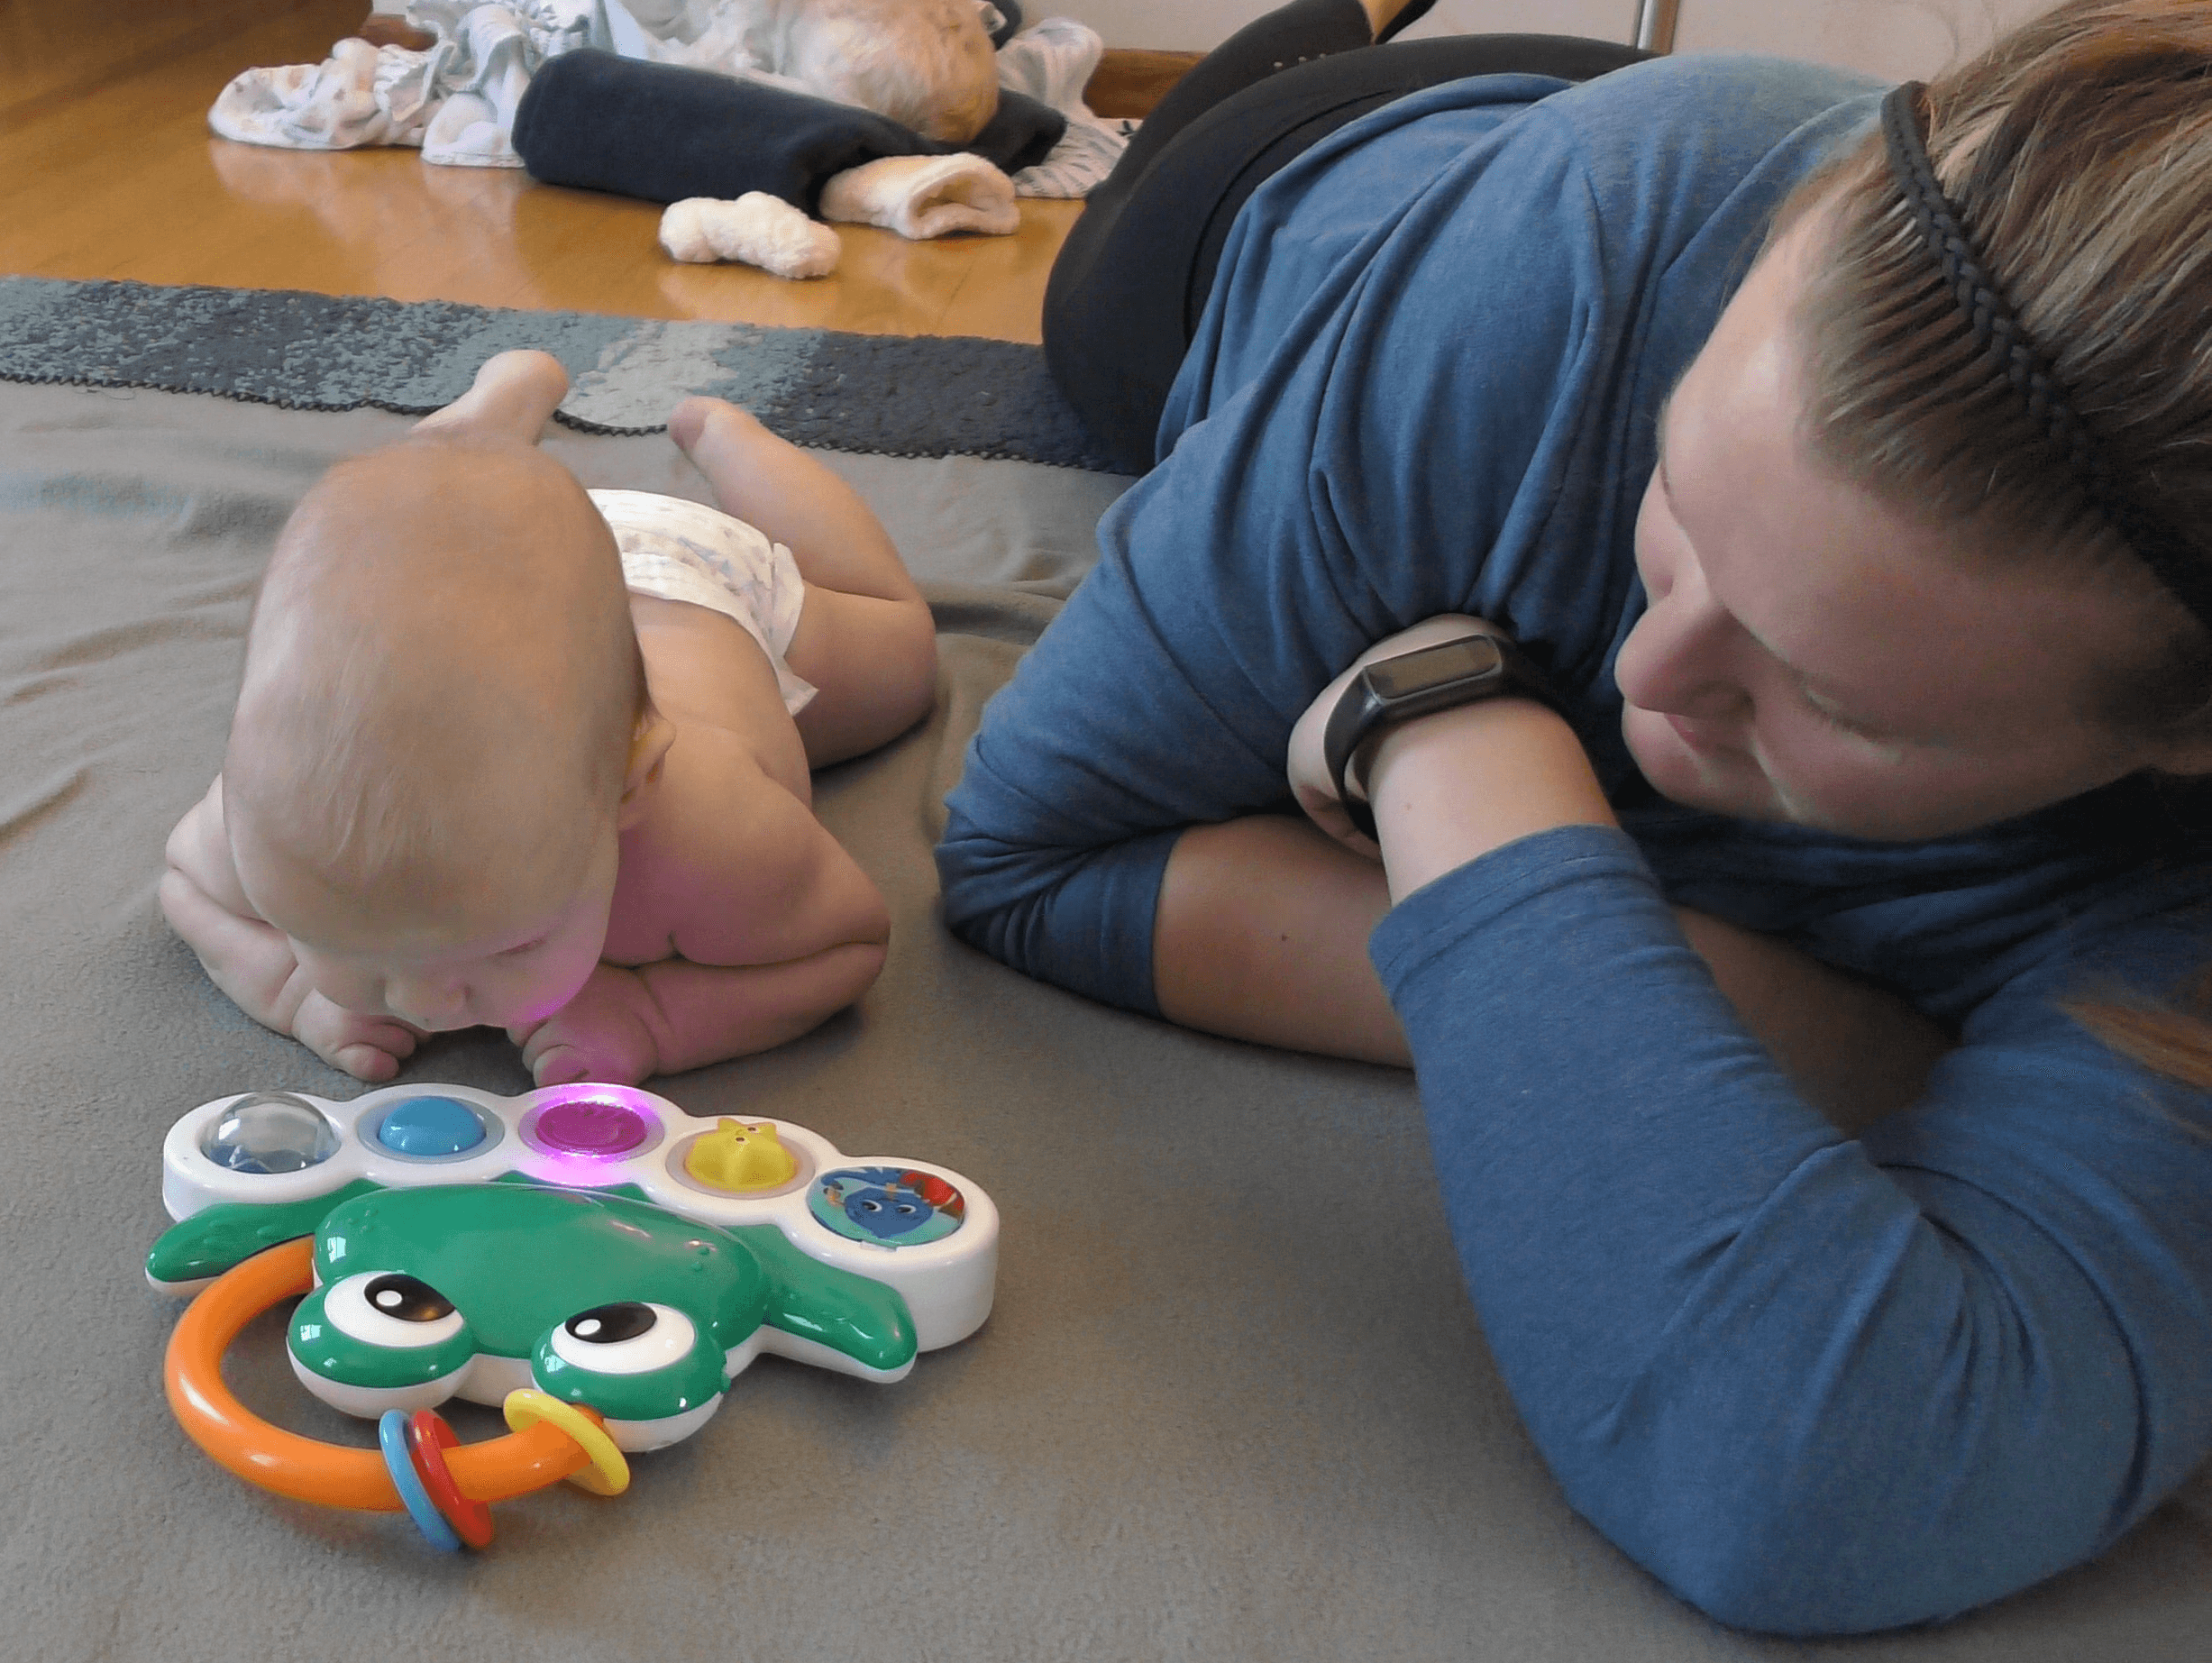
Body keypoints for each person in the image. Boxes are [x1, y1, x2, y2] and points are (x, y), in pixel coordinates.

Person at [939, 0, 2212, 1636]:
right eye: (1676, 498)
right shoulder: (1569, 274)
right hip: (1313, 177)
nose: (1639, 672)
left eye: (1835, 701)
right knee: (1177, 221)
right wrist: (1482, 741)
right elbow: (1024, 859)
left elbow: (1809, 1474)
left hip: (1633, 195)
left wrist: (1447, 739)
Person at [162, 349, 936, 1087]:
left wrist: (657, 1016)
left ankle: (730, 436)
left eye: (514, 944)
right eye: (334, 942)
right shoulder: (269, 826)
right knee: (398, 528)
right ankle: (487, 425)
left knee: (899, 649)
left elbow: (847, 943)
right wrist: (290, 987)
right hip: (479, 558)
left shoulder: (709, 838)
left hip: (699, 581)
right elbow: (186, 890)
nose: (427, 1004)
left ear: (633, 786)